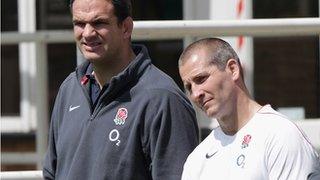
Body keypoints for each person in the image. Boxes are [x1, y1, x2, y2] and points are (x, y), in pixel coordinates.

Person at [42, 0, 199, 179]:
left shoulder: (163, 99)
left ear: (126, 27)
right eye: (79, 23)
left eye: (98, 23)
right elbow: (51, 173)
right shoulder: (69, 89)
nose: (87, 33)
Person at [178, 37, 320, 179]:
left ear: (233, 69)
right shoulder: (197, 159)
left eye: (201, 79)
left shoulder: (280, 135)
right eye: (189, 87)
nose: (196, 94)